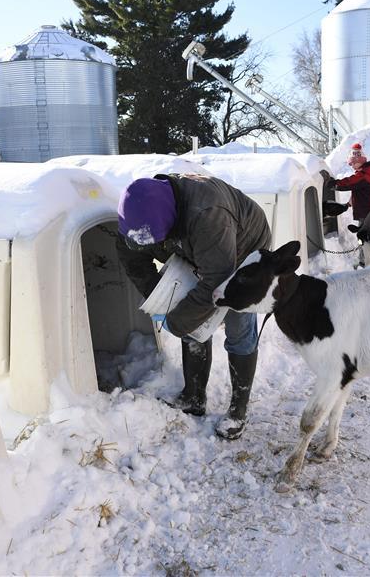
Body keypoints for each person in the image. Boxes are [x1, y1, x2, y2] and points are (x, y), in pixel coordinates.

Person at [116, 174, 271, 439]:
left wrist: (178, 320)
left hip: (244, 251)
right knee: (190, 315)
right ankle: (193, 397)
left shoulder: (208, 215)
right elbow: (132, 257)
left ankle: (238, 410)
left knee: (238, 327)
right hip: (196, 250)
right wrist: (160, 297)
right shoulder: (136, 218)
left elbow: (218, 278)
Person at [327, 142, 370, 225]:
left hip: (367, 213)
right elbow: (359, 191)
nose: (352, 166)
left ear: (358, 162)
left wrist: (334, 184)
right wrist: (349, 204)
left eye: (352, 163)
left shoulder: (363, 176)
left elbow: (349, 183)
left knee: (364, 235)